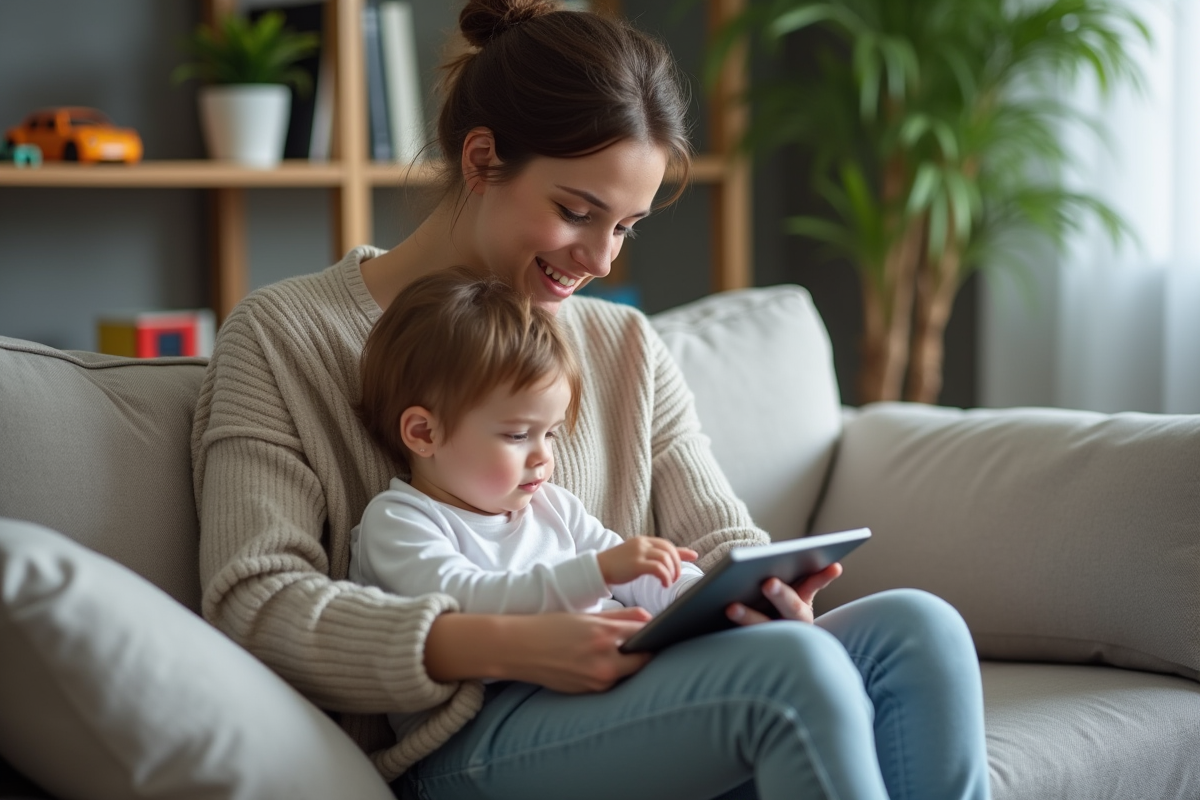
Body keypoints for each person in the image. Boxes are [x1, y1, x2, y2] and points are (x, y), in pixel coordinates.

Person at [190, 0, 992, 798]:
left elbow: (716, 536)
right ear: (480, 160)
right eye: (577, 212)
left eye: (626, 227)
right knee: (795, 674)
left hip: (636, 688)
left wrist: (766, 595)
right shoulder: (283, 335)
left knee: (919, 629)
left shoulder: (625, 346)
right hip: (471, 730)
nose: (601, 259)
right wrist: (504, 646)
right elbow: (257, 601)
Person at [349, 269, 705, 745]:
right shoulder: (398, 522)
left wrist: (702, 600)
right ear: (423, 433)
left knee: (822, 643)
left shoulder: (552, 506)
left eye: (551, 433)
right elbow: (470, 601)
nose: (544, 457)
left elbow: (639, 575)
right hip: (482, 729)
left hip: (597, 689)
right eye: (518, 435)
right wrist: (598, 573)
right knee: (778, 677)